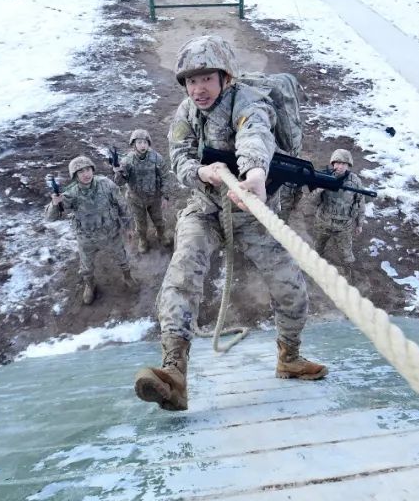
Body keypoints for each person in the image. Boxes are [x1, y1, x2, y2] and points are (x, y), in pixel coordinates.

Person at [133, 35, 327, 412]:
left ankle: (289, 357)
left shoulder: (248, 102)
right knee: (182, 274)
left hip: (252, 211)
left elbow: (255, 133)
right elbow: (179, 157)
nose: (198, 89)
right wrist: (200, 172)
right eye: (191, 81)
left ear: (226, 77)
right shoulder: (186, 113)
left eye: (206, 78)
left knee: (290, 286)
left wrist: (254, 173)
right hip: (206, 208)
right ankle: (174, 373)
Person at [45, 154, 135, 305]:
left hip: (111, 233)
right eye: (81, 172)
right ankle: (90, 285)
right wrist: (55, 204)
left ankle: (127, 276)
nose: (86, 174)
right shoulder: (71, 193)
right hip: (87, 238)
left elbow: (122, 205)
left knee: (122, 257)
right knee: (86, 266)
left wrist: (129, 227)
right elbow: (50, 218)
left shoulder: (106, 184)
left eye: (88, 170)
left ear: (93, 170)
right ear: (75, 175)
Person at [113, 129, 173, 253]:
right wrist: (118, 172)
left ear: (148, 143)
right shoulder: (127, 161)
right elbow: (120, 182)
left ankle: (161, 234)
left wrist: (165, 196)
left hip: (154, 198)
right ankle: (143, 240)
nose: (143, 145)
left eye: (145, 142)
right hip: (136, 199)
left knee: (159, 219)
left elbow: (165, 176)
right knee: (140, 223)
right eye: (139, 142)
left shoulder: (156, 158)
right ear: (134, 144)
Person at [309, 149, 367, 270]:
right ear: (333, 163)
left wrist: (359, 224)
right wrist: (321, 188)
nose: (340, 166)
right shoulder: (323, 177)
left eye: (344, 163)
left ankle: (348, 272)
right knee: (318, 246)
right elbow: (312, 201)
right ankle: (314, 266)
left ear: (348, 165)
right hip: (323, 222)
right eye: (338, 163)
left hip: (344, 226)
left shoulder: (355, 181)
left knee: (346, 254)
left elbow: (360, 203)